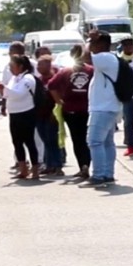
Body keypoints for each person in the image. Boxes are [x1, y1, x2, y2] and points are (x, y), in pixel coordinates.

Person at [47, 43, 92, 178]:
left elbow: (51, 85)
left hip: (71, 110)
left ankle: (83, 166)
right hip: (86, 109)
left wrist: (58, 100)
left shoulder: (65, 71)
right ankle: (86, 165)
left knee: (77, 139)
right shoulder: (91, 70)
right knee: (86, 139)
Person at [84, 31, 121, 186]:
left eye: (93, 42)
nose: (91, 45)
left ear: (101, 44)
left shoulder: (104, 57)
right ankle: (107, 174)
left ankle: (98, 176)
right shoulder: (110, 59)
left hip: (102, 108)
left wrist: (87, 40)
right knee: (106, 143)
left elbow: (83, 56)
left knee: (94, 142)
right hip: (108, 106)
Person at [4, 55, 40, 180]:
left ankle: (35, 169)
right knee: (17, 142)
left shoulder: (28, 78)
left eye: (12, 66)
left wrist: (3, 89)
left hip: (26, 112)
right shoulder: (14, 78)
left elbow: (18, 94)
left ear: (20, 66)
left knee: (29, 141)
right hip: (14, 113)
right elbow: (8, 94)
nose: (10, 68)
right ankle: (23, 168)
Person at [35, 55, 62, 176]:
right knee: (45, 140)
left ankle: (58, 165)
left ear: (49, 65)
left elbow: (59, 98)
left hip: (52, 115)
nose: (38, 67)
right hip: (39, 114)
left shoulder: (54, 80)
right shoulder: (38, 80)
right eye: (38, 64)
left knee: (53, 140)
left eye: (41, 64)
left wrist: (55, 113)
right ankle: (48, 165)